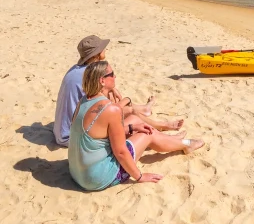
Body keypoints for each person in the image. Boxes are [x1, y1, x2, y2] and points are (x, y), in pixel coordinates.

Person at [69, 61, 204, 190]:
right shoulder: (111, 110)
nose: (115, 76)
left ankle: (173, 140)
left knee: (134, 119)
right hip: (95, 178)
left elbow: (100, 132)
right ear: (102, 81)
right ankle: (186, 144)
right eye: (111, 74)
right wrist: (139, 176)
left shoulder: (84, 100)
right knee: (147, 135)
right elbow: (120, 152)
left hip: (77, 172)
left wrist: (132, 128)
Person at [53, 35, 178, 146]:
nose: (105, 49)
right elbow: (109, 109)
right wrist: (126, 99)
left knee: (125, 108)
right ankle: (161, 127)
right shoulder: (89, 75)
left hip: (62, 129)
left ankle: (149, 114)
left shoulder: (78, 70)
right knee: (129, 113)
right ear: (97, 54)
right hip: (72, 136)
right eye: (103, 48)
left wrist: (112, 88)